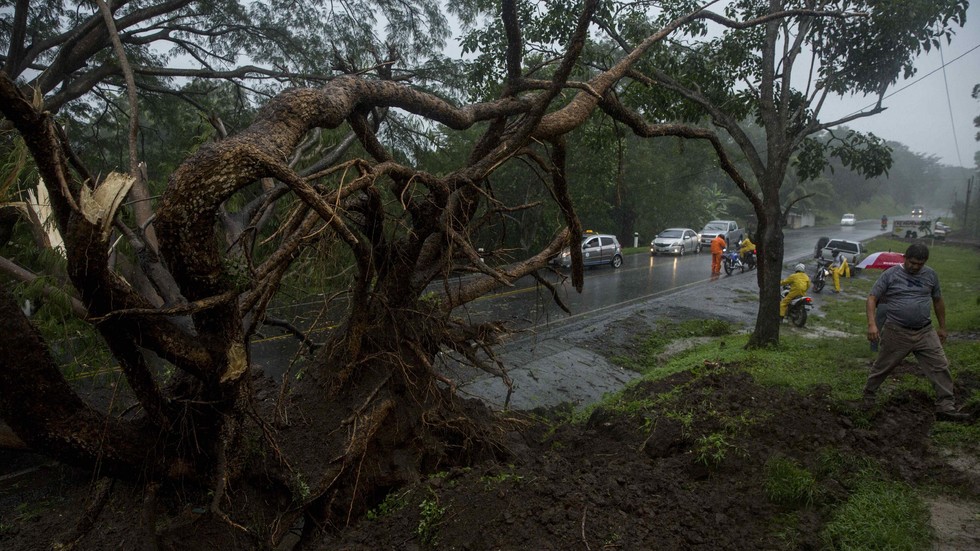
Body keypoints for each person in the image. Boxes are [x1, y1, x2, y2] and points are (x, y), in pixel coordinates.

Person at [863, 243, 968, 421]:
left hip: (925, 331)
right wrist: (872, 325)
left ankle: (946, 406)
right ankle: (868, 397)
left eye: (920, 264)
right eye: (912, 262)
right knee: (882, 366)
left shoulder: (931, 275)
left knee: (940, 366)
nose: (915, 267)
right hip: (897, 330)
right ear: (905, 258)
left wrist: (942, 327)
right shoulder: (890, 275)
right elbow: (872, 298)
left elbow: (938, 301)